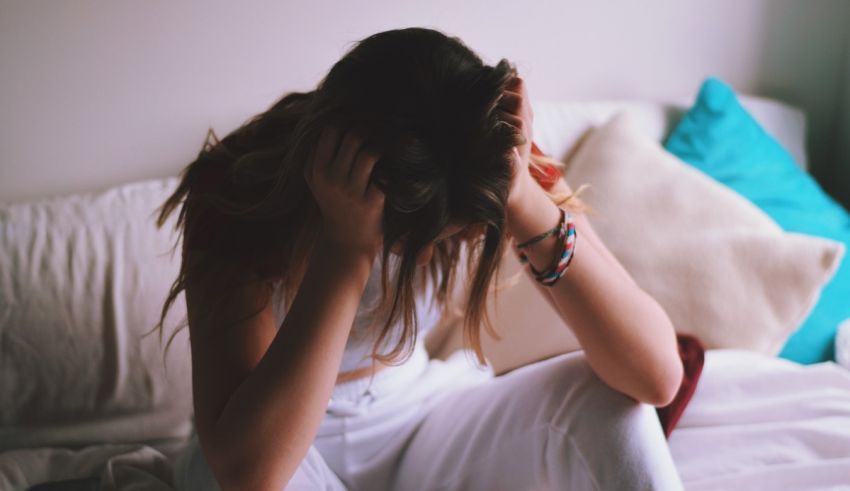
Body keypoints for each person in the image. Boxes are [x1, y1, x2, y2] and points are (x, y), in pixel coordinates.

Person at [154, 27, 686, 491]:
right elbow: (250, 474)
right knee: (218, 478)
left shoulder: (478, 152)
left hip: (419, 420)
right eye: (408, 239)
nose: (430, 253)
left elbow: (658, 376)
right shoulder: (237, 192)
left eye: (447, 234)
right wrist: (347, 252)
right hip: (287, 448)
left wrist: (522, 195)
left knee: (608, 405)